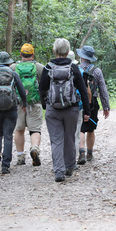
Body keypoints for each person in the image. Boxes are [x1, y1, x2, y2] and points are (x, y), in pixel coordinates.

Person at [39, 38, 91, 182]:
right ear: (68, 52)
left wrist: (46, 106)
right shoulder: (73, 68)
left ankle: (59, 172)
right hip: (71, 109)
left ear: (54, 51)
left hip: (53, 110)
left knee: (56, 141)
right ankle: (69, 167)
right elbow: (83, 90)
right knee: (69, 138)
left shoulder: (48, 68)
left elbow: (42, 89)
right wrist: (87, 111)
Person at [0, 51, 27, 174]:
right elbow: (22, 91)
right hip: (11, 109)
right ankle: (5, 166)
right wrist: (24, 104)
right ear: (8, 62)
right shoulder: (13, 73)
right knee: (8, 136)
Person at [10, 43, 45, 167]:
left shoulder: (13, 67)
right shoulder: (40, 67)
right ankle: (34, 148)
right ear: (32, 54)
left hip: (18, 104)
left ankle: (20, 156)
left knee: (19, 129)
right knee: (35, 129)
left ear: (21, 54)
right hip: (35, 103)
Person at [76, 45, 110, 164]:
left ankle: (81, 152)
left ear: (81, 56)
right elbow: (103, 89)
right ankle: (90, 153)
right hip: (92, 102)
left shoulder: (76, 69)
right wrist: (106, 107)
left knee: (80, 128)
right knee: (90, 129)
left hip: (78, 101)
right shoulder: (97, 71)